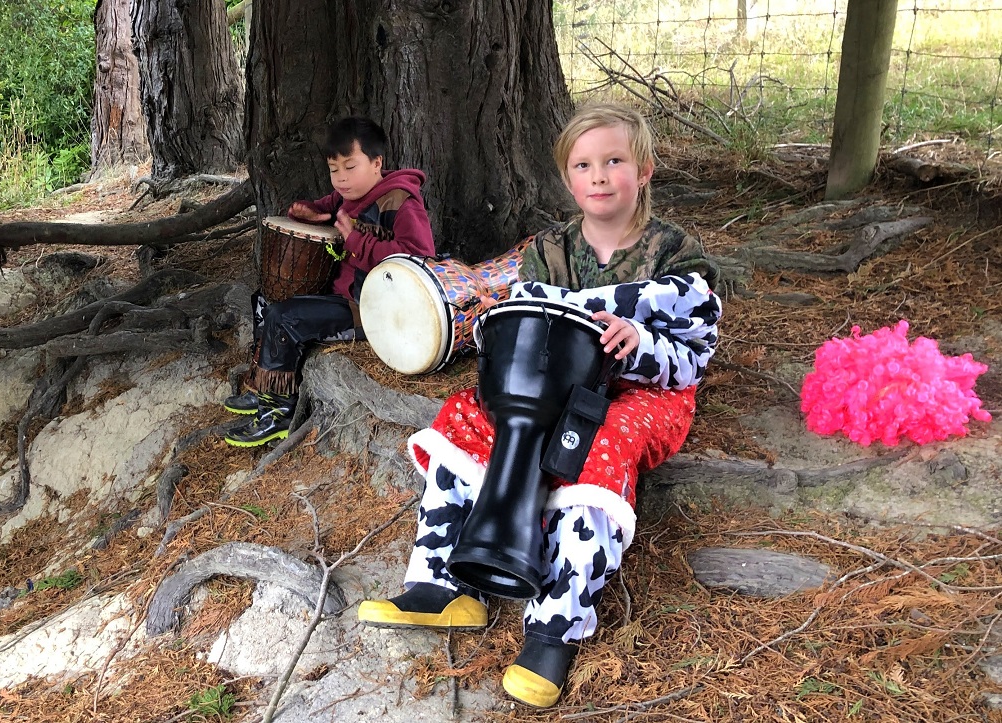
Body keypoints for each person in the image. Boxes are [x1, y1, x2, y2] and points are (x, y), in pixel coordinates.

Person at [356, 104, 723, 708]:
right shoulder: (548, 251)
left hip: (641, 391)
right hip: (554, 380)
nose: (599, 176)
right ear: (568, 178)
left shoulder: (673, 254)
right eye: (584, 165)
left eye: (614, 161)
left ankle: (556, 622)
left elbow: (695, 346)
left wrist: (639, 341)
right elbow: (525, 322)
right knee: (467, 418)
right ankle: (443, 581)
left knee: (604, 443)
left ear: (646, 170)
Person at [223, 116, 435, 447]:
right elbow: (321, 208)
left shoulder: (401, 202)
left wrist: (357, 243)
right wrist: (305, 212)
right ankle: (264, 388)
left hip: (370, 309)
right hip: (339, 296)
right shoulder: (345, 197)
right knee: (264, 303)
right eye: (334, 170)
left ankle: (278, 413)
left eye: (350, 167)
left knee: (284, 318)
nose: (341, 179)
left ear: (377, 162)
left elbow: (421, 259)